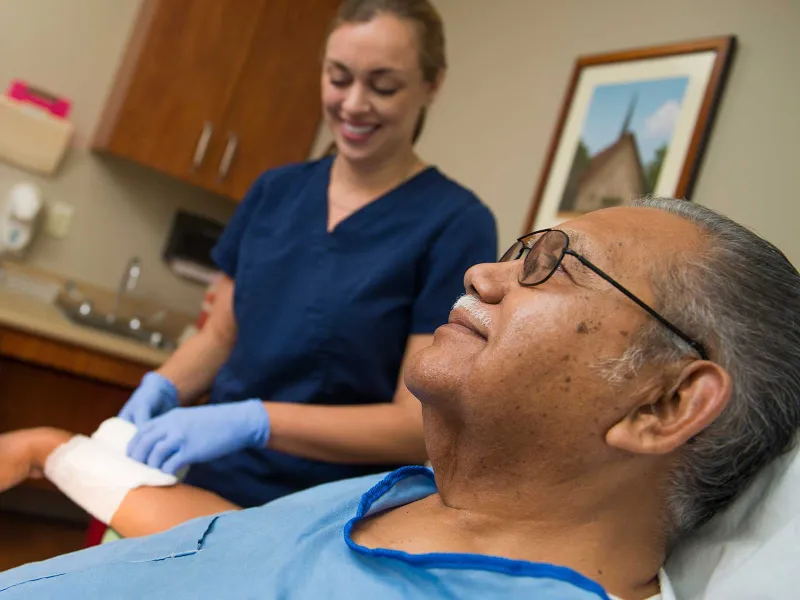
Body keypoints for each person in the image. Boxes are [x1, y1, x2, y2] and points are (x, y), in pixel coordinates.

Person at [1, 198, 798, 599]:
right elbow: (244, 544)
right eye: (520, 249)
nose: (484, 275)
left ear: (663, 405)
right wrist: (53, 451)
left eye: (555, 263)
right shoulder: (427, 501)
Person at [116, 0, 498, 508]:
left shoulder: (455, 225)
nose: (354, 104)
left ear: (432, 85)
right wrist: (163, 385)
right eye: (339, 78)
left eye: (383, 86)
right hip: (203, 479)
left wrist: (257, 422)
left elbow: (413, 425)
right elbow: (219, 336)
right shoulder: (274, 190)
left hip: (320, 512)